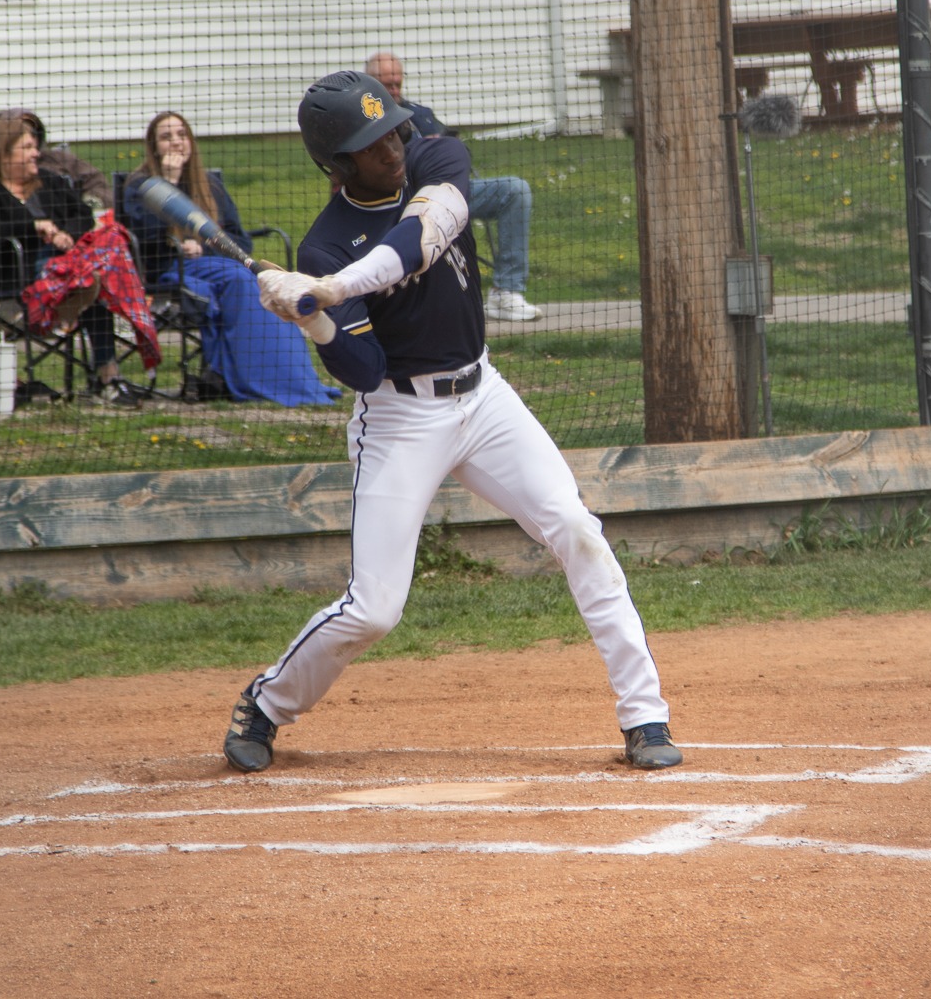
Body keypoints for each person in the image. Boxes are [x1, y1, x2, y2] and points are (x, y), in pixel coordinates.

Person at [219, 70, 680, 774]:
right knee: (374, 610)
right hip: (401, 417)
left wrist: (330, 291)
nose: (394, 145)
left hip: (484, 396)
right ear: (337, 165)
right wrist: (312, 320)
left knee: (577, 529)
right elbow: (364, 369)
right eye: (373, 143)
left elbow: (421, 240)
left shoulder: (437, 158)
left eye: (394, 127)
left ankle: (644, 716)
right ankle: (268, 703)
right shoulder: (324, 245)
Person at [123, 112, 338, 406]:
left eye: (181, 135)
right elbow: (141, 240)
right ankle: (249, 379)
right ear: (154, 146)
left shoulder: (208, 184)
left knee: (261, 278)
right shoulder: (140, 187)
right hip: (168, 269)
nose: (176, 142)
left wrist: (203, 247)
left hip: (214, 265)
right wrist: (168, 183)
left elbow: (239, 240)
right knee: (239, 279)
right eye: (166, 137)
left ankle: (291, 379)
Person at [0, 117, 154, 408]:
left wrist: (65, 234)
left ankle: (107, 373)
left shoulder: (49, 182)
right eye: (26, 147)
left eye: (35, 146)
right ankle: (108, 378)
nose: (36, 152)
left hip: (65, 277)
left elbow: (83, 215)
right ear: (3, 153)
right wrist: (34, 227)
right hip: (13, 283)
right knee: (93, 280)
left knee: (101, 257)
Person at [365, 51, 542, 323]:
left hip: (451, 192)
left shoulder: (420, 115)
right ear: (371, 84)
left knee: (514, 190)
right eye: (387, 84)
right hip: (401, 202)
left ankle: (506, 292)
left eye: (398, 83)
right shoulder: (363, 122)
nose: (394, 90)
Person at [0, 108, 112, 214]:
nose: (29, 137)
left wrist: (91, 203)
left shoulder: (60, 160)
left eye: (32, 133)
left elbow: (96, 182)